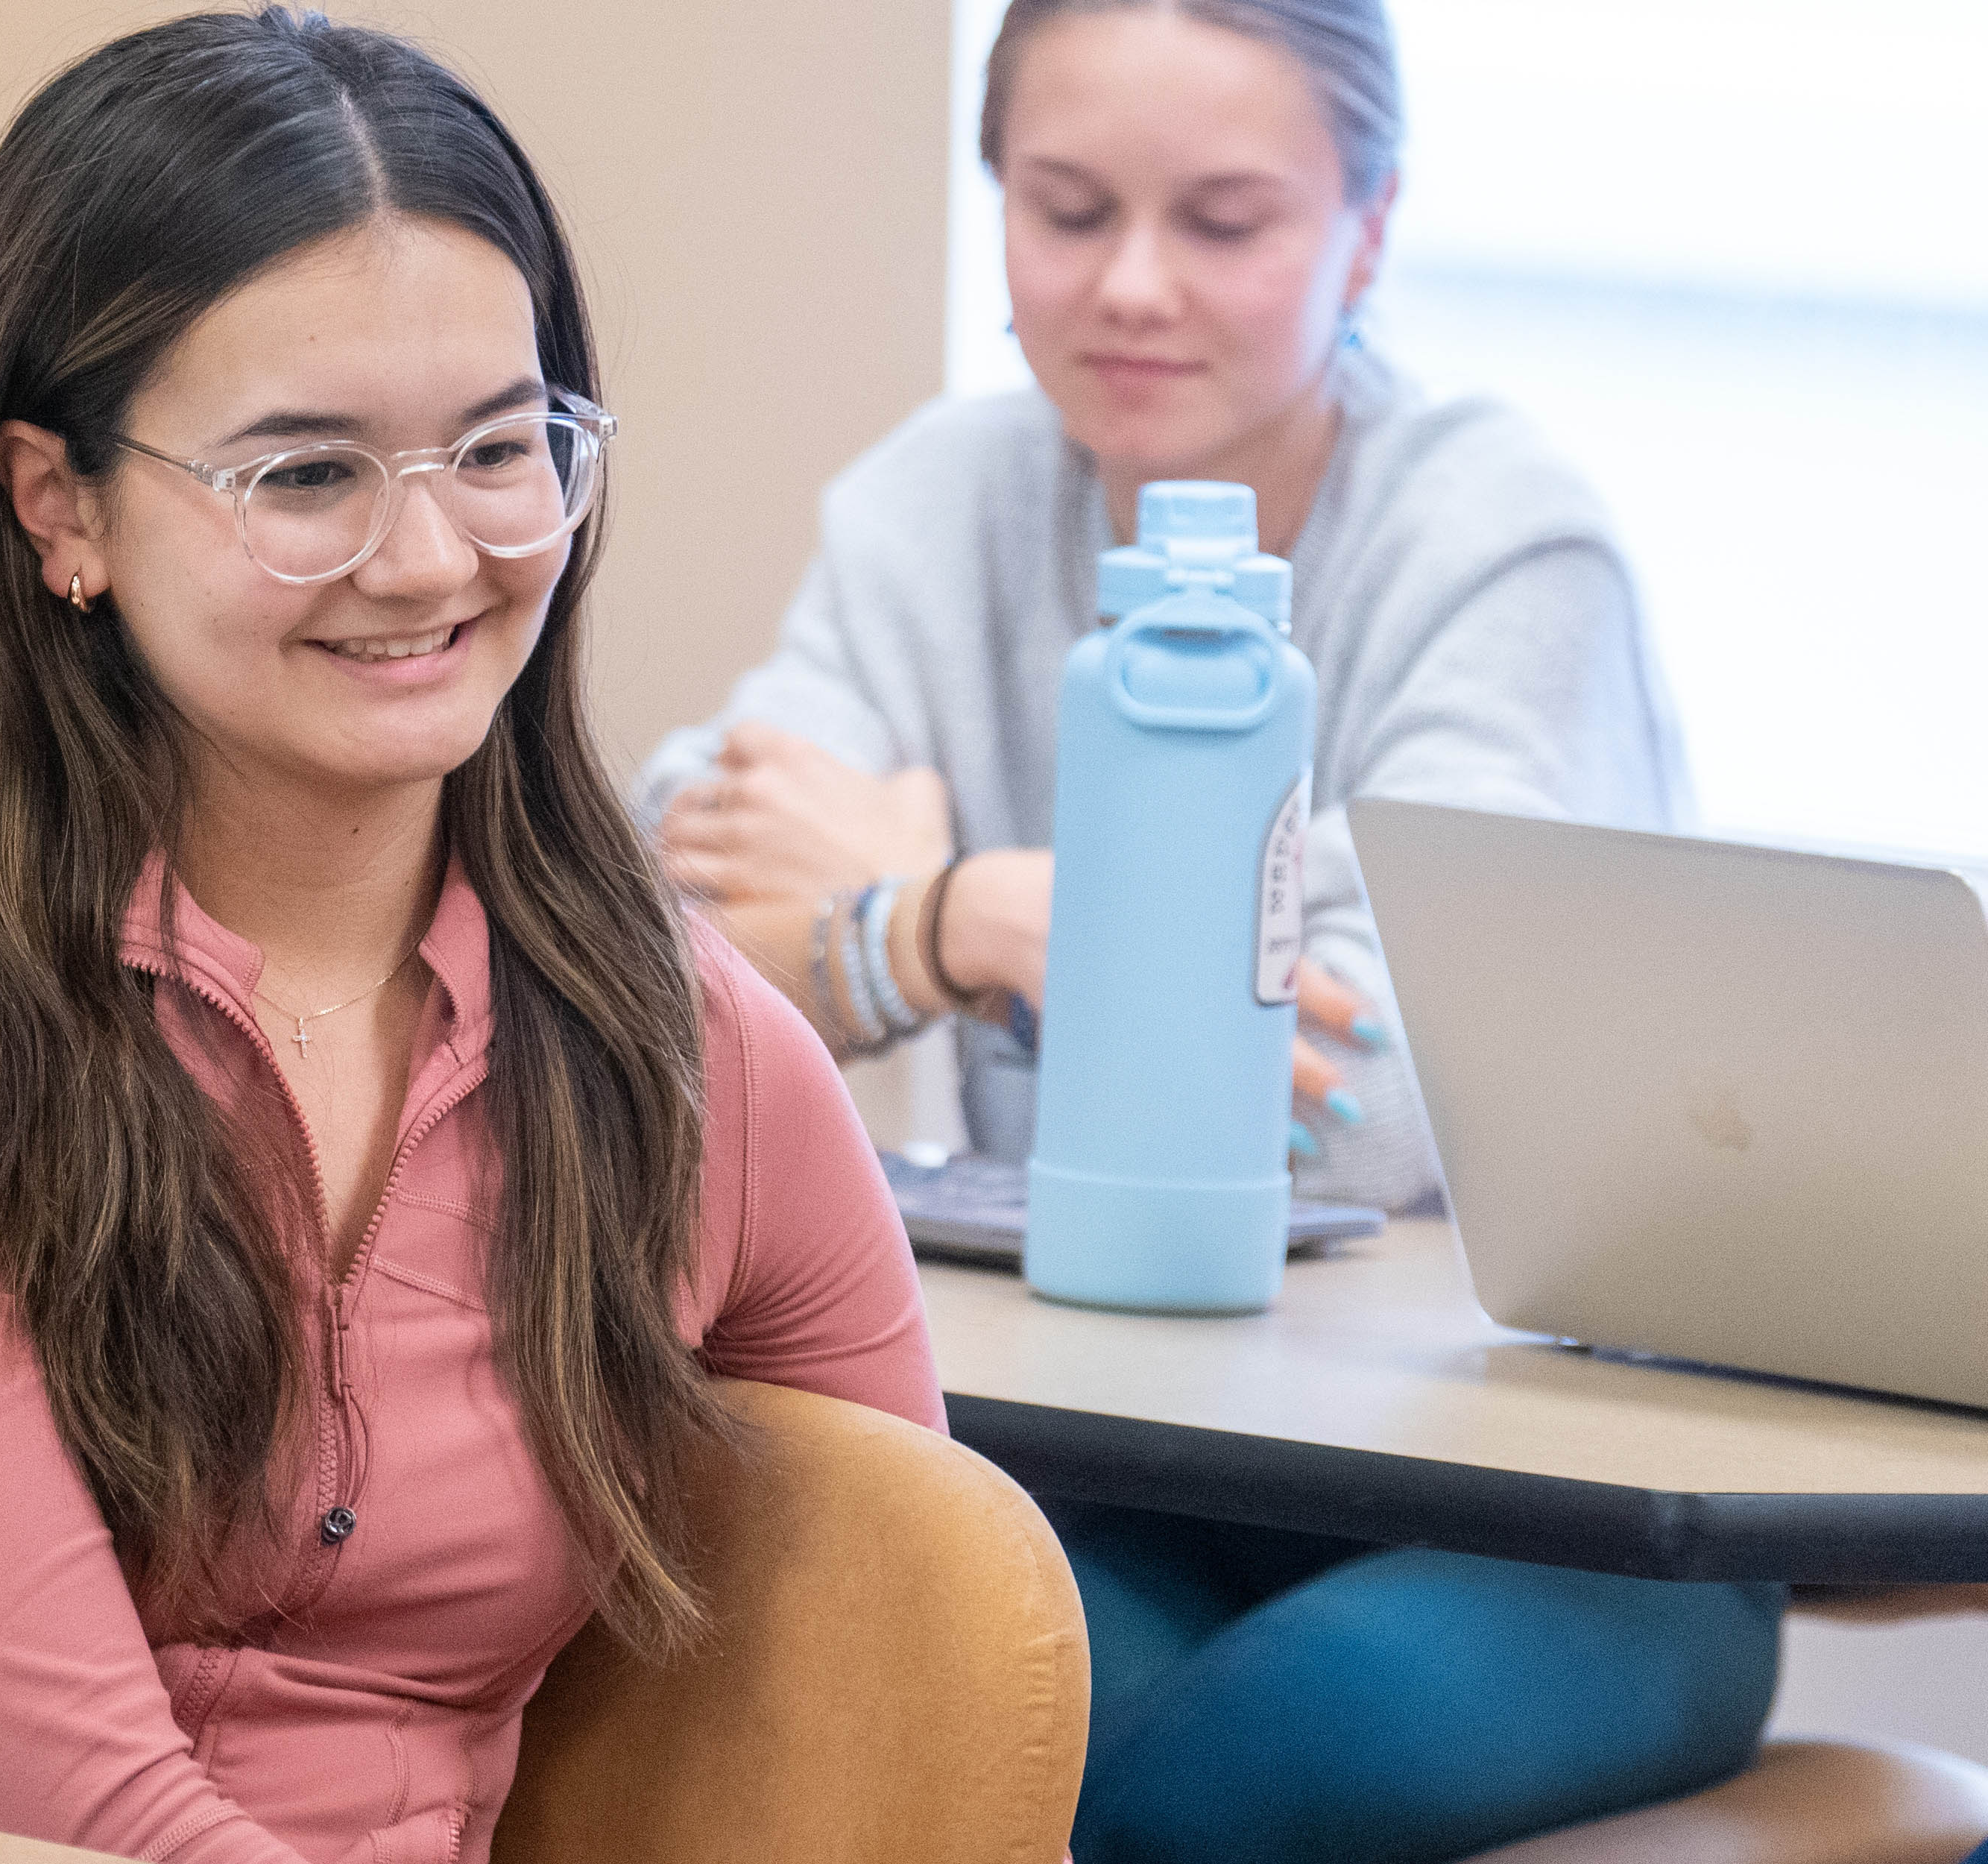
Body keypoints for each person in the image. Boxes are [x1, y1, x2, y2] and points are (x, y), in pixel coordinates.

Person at [0, 13, 938, 1860]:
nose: (426, 560)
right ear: (58, 506)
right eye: (305, 476)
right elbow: (74, 1806)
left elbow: (920, 1663)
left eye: (500, 448)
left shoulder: (687, 1051)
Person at [643, 4, 1770, 1861]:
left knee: (1183, 1797)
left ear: (1373, 226)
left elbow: (1385, 1095)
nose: (1134, 287)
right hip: (1109, 1447)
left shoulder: (1498, 537)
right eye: (1068, 209)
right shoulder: (941, 497)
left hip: (1539, 1508)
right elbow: (646, 931)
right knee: (886, 1725)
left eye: (1227, 222)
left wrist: (934, 924)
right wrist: (956, 919)